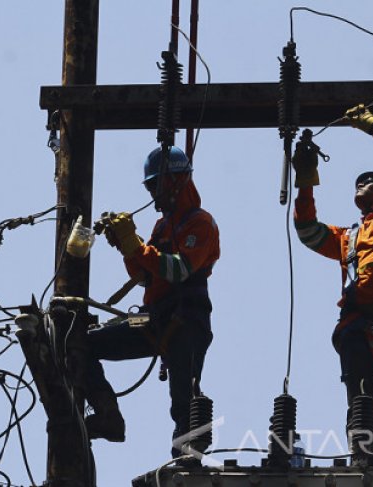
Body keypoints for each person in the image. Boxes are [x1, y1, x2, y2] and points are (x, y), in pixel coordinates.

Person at [291, 104, 373, 476]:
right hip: (358, 327)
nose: (360, 183)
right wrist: (305, 178)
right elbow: (306, 230)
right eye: (357, 181)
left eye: (369, 179)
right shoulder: (347, 237)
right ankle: (365, 464)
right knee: (361, 401)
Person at [81, 146, 220, 459]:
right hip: (155, 317)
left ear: (176, 181)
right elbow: (146, 277)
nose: (152, 195)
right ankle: (107, 415)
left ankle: (186, 458)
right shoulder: (162, 226)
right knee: (82, 344)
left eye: (154, 187)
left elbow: (180, 269)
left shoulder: (201, 224)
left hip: (187, 319)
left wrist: (136, 247)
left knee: (183, 397)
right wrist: (127, 247)